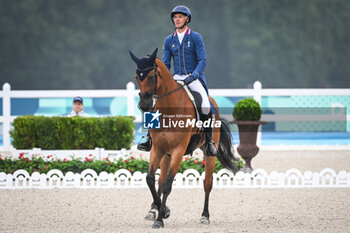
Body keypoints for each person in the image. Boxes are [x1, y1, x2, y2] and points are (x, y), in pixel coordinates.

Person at [137, 5, 217, 156]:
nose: (177, 19)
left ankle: (209, 141)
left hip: (194, 77)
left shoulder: (195, 37)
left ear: (187, 19)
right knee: (155, 103)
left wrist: (193, 76)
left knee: (205, 105)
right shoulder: (169, 40)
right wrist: (164, 78)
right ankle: (149, 138)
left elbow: (203, 61)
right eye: (175, 17)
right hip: (176, 78)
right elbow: (166, 64)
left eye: (180, 17)